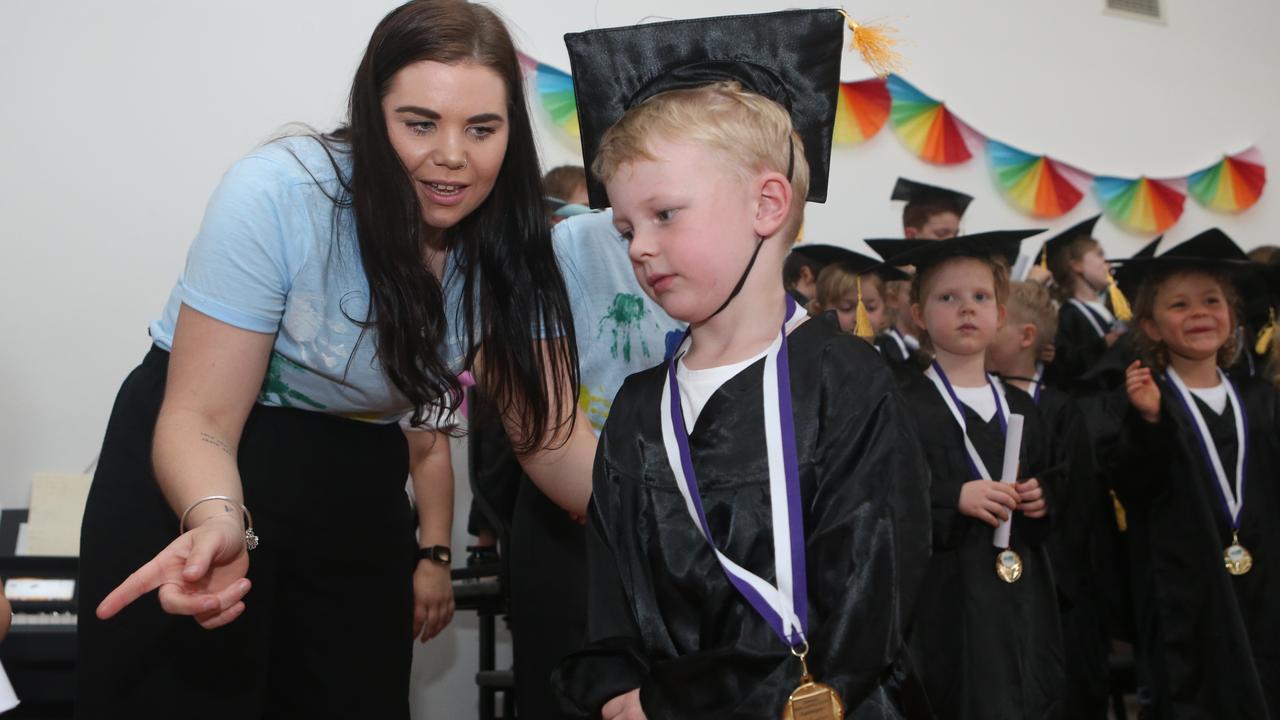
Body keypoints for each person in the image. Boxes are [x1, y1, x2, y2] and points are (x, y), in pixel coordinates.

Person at [75, 2, 596, 716]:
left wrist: (677, 525)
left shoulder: (518, 246)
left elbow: (556, 440)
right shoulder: (281, 194)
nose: (452, 154)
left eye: (482, 128)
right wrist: (219, 519)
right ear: (372, 114)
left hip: (354, 475)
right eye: (420, 123)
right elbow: (199, 416)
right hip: (204, 462)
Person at [552, 9, 932, 718]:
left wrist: (673, 702)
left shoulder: (846, 384)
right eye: (627, 227)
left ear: (767, 204)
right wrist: (613, 691)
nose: (636, 247)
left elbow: (864, 609)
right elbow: (609, 609)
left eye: (665, 214)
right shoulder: (640, 409)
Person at [876, 230, 1066, 719]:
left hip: (1024, 602)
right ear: (918, 315)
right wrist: (951, 497)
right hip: (948, 603)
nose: (966, 309)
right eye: (948, 297)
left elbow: (1059, 487)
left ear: (1000, 314)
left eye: (980, 297)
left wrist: (1044, 496)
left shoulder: (1023, 406)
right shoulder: (904, 406)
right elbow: (886, 502)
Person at [1112, 229, 1279, 718]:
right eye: (1180, 306)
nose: (1200, 313)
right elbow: (1136, 486)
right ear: (1152, 326)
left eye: (1212, 300)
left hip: (1266, 587)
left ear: (1232, 314)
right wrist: (1148, 423)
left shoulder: (1261, 401)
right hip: (1186, 597)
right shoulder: (1152, 403)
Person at [986, 281, 1111, 717]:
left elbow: (1079, 502)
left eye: (996, 320)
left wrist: (1046, 499)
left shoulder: (1062, 409)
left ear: (1025, 337)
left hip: (1060, 587)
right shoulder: (979, 403)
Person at [797, 245, 907, 341]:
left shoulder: (897, 361)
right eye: (846, 308)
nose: (859, 319)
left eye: (871, 308)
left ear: (885, 312)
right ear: (819, 310)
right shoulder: (810, 361)